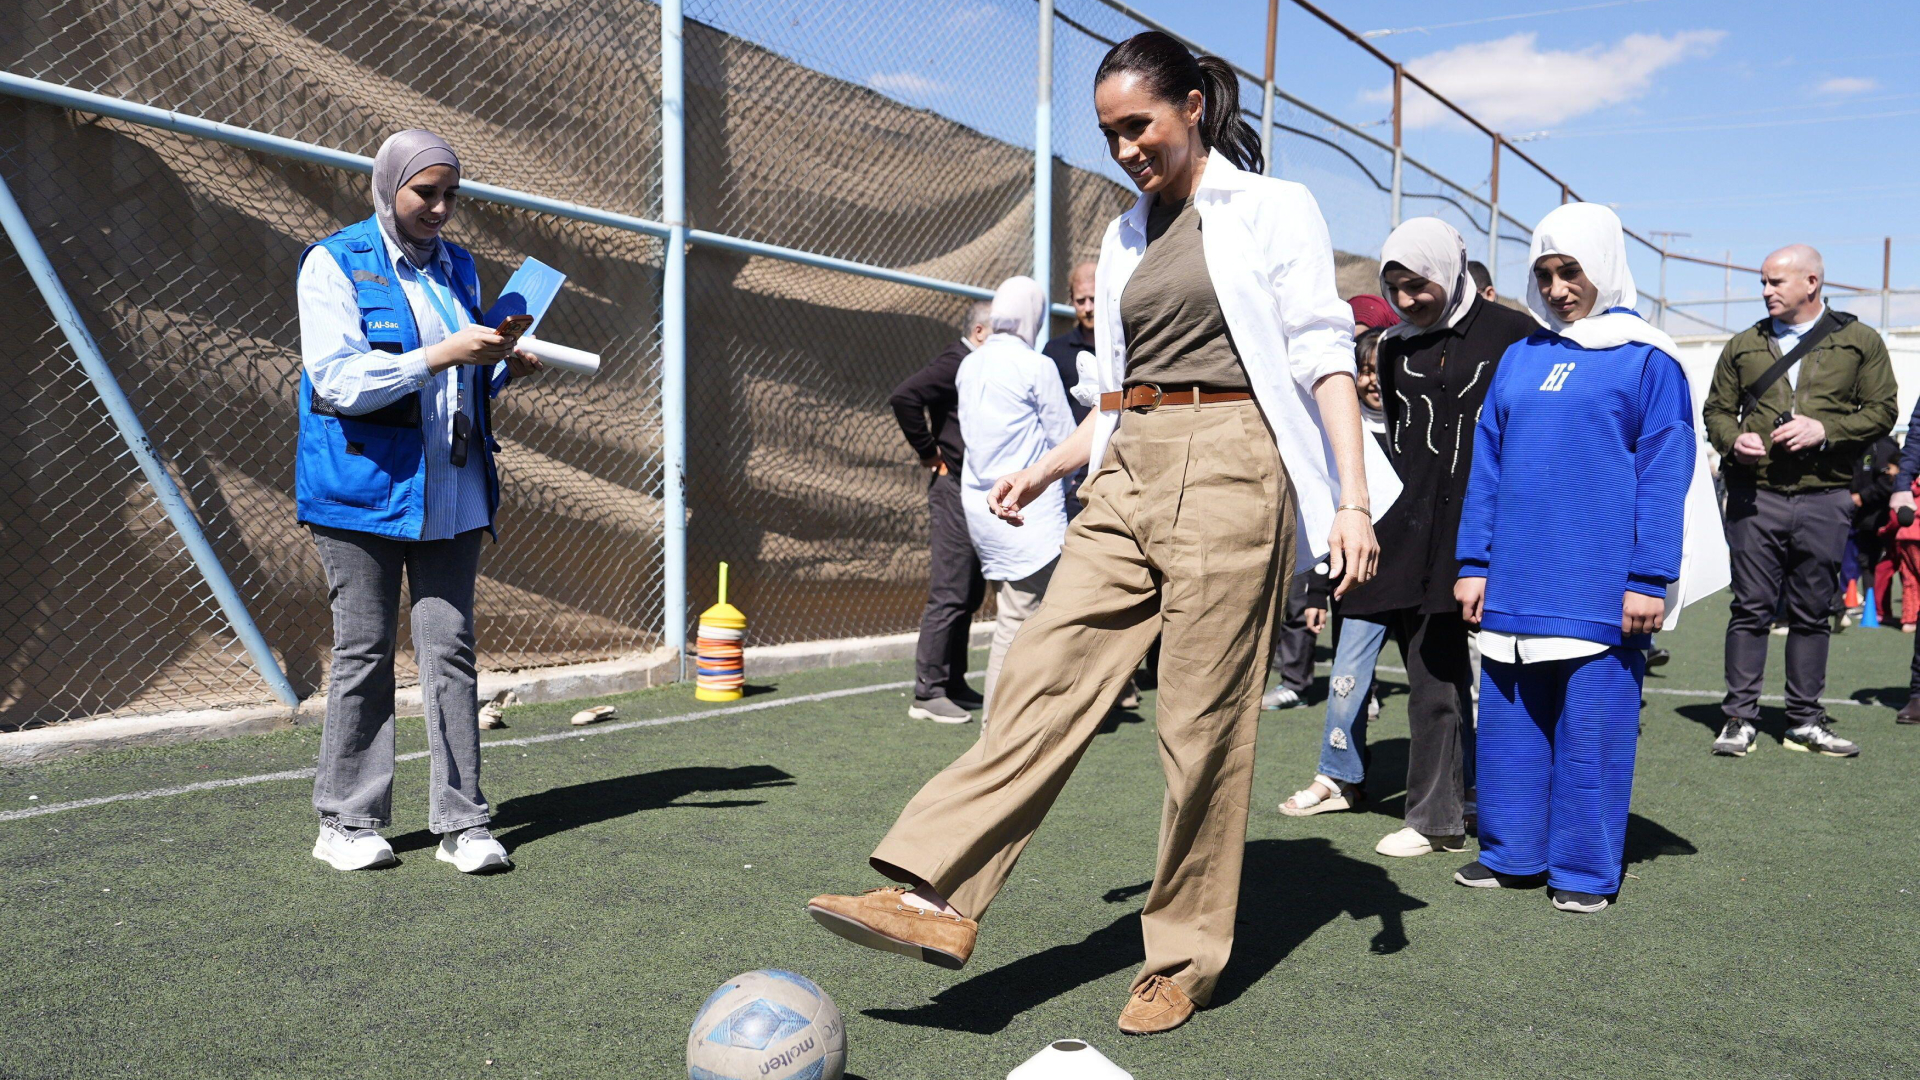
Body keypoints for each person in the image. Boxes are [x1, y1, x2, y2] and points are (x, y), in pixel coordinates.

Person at [807, 30, 1377, 1036]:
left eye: (1138, 125)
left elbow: (1324, 354)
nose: (1124, 149)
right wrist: (1046, 466)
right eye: (1110, 132)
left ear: (1193, 106)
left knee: (1199, 730)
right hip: (1128, 466)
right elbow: (1114, 394)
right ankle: (934, 894)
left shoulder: (1270, 206)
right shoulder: (1121, 237)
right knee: (1039, 670)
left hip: (1235, 462)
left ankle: (1183, 961)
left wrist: (1351, 499)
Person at [1453, 201, 1720, 912]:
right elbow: (1487, 466)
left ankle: (1582, 869)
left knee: (1591, 734)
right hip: (1514, 579)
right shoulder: (1522, 356)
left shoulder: (1648, 359)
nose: (1556, 288)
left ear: (1603, 264)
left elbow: (1665, 474)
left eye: (1570, 270)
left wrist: (1649, 577)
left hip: (1599, 585)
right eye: (1544, 274)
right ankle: (1512, 853)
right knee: (1509, 729)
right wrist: (1473, 564)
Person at [298, 130, 542, 874]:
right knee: (365, 653)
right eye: (424, 193)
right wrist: (442, 353)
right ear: (387, 187)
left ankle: (463, 823)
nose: (439, 209)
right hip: (362, 493)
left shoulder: (458, 266)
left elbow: (463, 380)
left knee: (451, 652)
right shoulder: (334, 262)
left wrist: (501, 365)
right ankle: (347, 821)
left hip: (452, 490)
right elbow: (338, 381)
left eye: (450, 195)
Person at [1333, 218, 1535, 859]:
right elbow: (1400, 439)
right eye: (1394, 287)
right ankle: (1435, 818)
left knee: (1521, 676)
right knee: (1431, 677)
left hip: (1500, 524)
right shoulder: (1393, 346)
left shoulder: (1515, 333)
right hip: (1418, 532)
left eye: (1418, 284)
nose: (1407, 300)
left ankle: (1516, 807)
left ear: (1450, 270)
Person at [1702, 244, 1896, 757]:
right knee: (1750, 608)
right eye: (1763, 282)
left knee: (1813, 612)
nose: (1766, 291)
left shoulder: (1859, 341)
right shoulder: (1744, 344)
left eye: (1776, 282)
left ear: (1811, 282)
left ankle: (1805, 720)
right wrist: (1732, 440)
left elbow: (1883, 411)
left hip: (1825, 496)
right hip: (1756, 496)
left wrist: (1825, 430)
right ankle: (1738, 719)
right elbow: (1716, 410)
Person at [1280, 296, 1402, 816]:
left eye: (1380, 370)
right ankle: (1338, 776)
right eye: (1361, 370)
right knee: (1347, 678)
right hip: (1361, 580)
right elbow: (1321, 514)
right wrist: (1315, 591)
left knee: (1442, 687)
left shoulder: (1415, 425)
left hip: (1421, 574)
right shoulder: (1340, 433)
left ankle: (1458, 785)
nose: (1371, 380)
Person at [957, 277, 1077, 721]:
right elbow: (1065, 440)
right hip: (1028, 513)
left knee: (1015, 612)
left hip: (982, 506)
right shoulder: (1035, 365)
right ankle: (999, 728)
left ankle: (1013, 721)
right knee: (1022, 620)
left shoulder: (970, 364)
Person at [890, 302, 995, 724]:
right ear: (981, 331)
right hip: (951, 490)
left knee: (969, 591)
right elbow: (904, 397)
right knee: (951, 590)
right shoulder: (957, 360)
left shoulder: (978, 365)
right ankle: (928, 692)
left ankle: (953, 682)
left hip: (972, 489)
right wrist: (930, 452)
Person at [1853, 434, 1900, 626]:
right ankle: (1873, 605)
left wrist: (1862, 496)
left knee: (1886, 565)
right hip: (1865, 519)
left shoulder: (1884, 448)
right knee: (1867, 562)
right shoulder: (1864, 445)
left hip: (1882, 518)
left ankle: (1886, 609)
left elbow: (1887, 483)